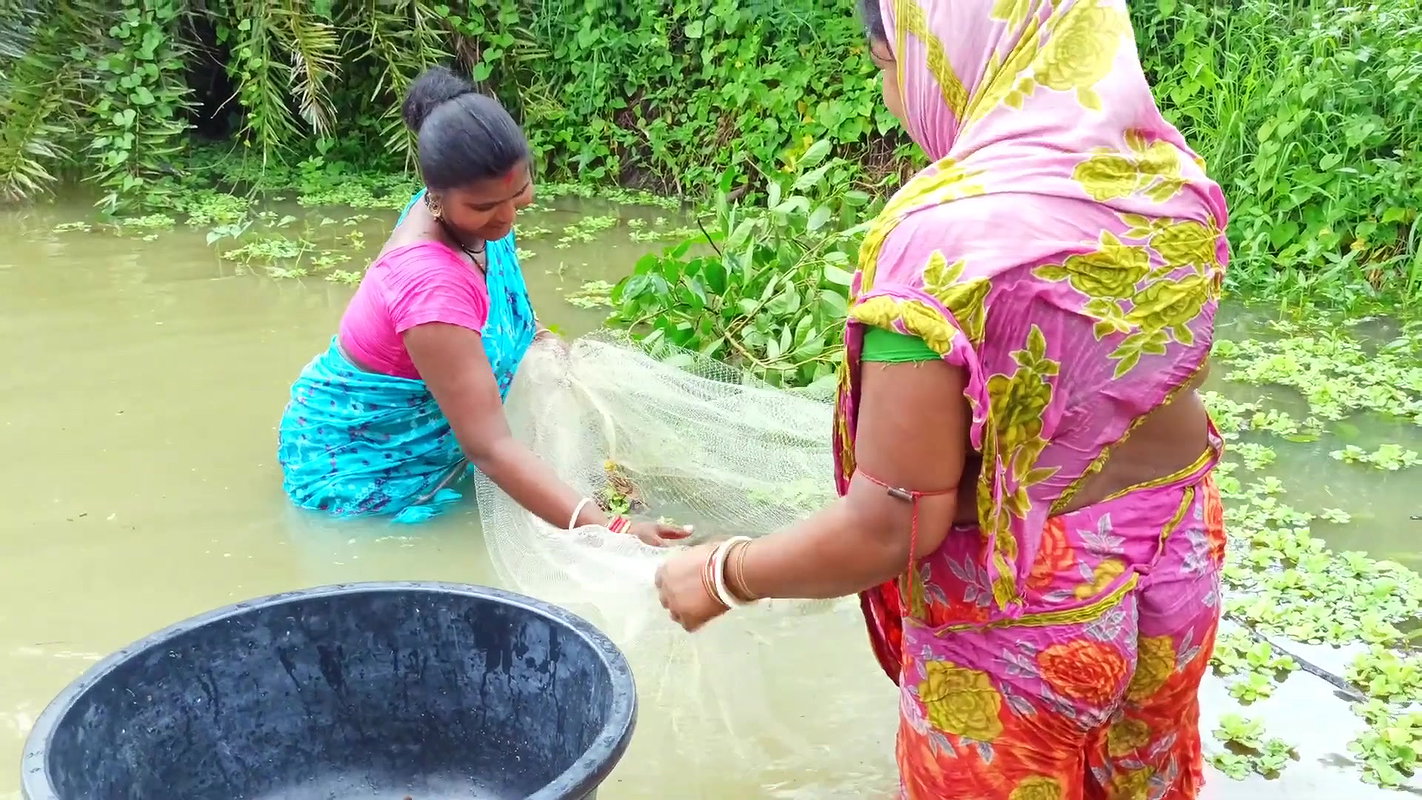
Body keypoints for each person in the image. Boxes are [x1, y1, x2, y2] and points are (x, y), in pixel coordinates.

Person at [655, 0, 1230, 797]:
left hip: (1025, 626)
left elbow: (896, 521)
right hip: (1181, 573)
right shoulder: (1173, 186)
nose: (893, 96)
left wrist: (724, 573)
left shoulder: (940, 246)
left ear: (942, 49)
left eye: (885, 65)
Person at [278, 66, 685, 547]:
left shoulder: (474, 221)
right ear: (435, 196)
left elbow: (509, 310)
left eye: (519, 192)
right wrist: (613, 529)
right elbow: (490, 447)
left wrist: (547, 345)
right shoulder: (431, 286)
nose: (508, 216)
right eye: (485, 205)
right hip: (367, 474)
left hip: (443, 446)